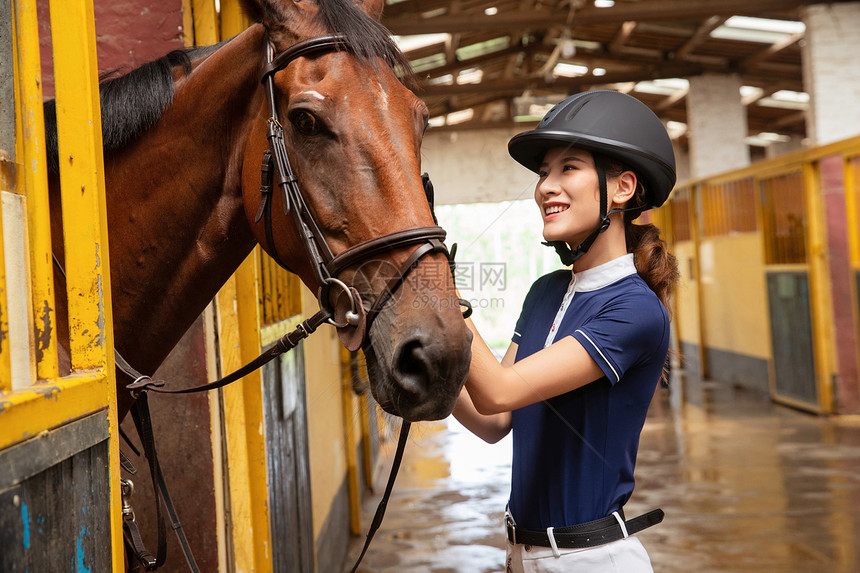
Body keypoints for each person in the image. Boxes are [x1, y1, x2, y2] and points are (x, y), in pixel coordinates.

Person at [453, 90, 679, 573]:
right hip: (521, 554)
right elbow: (492, 420)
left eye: (567, 168)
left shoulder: (634, 310)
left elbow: (498, 391)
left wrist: (440, 303)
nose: (545, 187)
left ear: (621, 188)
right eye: (542, 173)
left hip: (589, 560)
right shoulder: (546, 291)